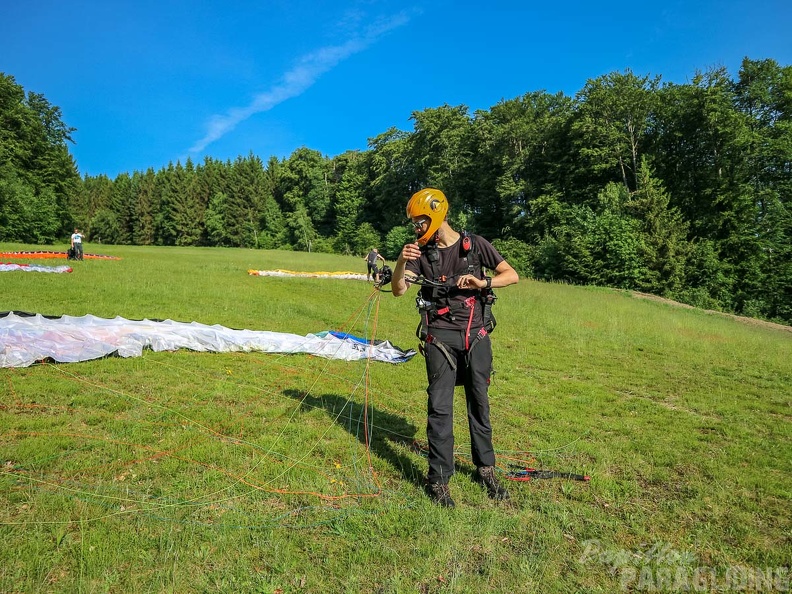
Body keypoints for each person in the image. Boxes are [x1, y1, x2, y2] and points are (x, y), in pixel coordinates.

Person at [391, 188, 519, 507]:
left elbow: (511, 275)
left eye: (420, 222)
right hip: (440, 338)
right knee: (440, 408)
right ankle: (438, 479)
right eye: (414, 224)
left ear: (436, 214)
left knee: (479, 402)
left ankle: (486, 469)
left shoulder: (475, 245)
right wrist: (399, 262)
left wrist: (482, 283)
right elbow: (398, 289)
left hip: (476, 336)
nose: (416, 228)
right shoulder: (420, 254)